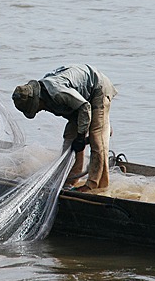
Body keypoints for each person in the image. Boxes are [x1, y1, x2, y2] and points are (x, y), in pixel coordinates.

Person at [12, 64, 117, 192]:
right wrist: (78, 137)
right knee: (69, 138)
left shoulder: (57, 93)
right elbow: (76, 112)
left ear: (38, 100)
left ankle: (93, 185)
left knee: (96, 138)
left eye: (35, 107)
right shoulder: (46, 97)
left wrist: (81, 136)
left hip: (97, 89)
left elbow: (85, 107)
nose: (38, 110)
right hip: (79, 103)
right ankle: (70, 179)